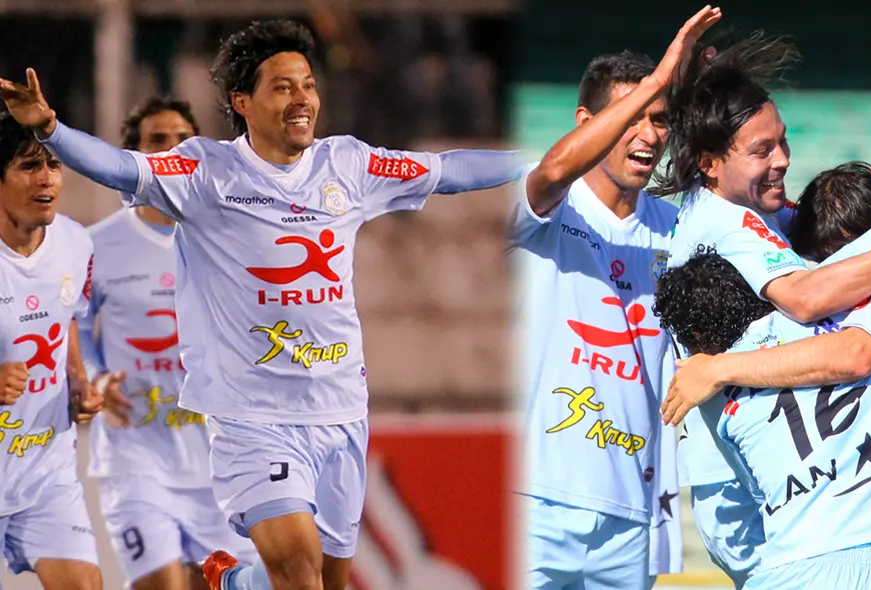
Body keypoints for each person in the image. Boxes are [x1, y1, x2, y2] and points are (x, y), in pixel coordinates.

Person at [0, 19, 522, 590]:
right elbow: (118, 167)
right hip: (251, 420)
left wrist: (539, 163)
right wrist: (50, 129)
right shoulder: (205, 172)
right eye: (282, 86)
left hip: (341, 412)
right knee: (298, 571)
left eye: (308, 85)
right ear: (242, 102)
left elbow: (451, 171)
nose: (302, 98)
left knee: (324, 580)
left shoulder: (347, 165)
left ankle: (234, 582)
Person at [651, 34, 871, 588]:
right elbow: (807, 297)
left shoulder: (742, 207)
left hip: (774, 468)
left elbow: (830, 239)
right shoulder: (727, 223)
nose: (782, 160)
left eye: (782, 141)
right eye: (762, 151)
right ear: (710, 164)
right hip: (749, 481)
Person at [510, 6, 721, 589]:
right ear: (587, 122)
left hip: (632, 512)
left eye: (660, 118)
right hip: (530, 502)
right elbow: (555, 169)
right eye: (632, 116)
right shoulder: (546, 205)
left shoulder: (678, 230)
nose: (649, 135)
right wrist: (659, 80)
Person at [654, 248, 871, 589]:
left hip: (795, 568)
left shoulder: (713, 392)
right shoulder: (853, 319)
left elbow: (750, 499)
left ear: (698, 338)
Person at [79, 96, 257, 590]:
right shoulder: (97, 244)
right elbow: (77, 325)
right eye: (157, 140)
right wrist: (96, 377)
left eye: (183, 139)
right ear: (133, 157)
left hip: (219, 463)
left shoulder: (230, 238)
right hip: (136, 458)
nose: (172, 149)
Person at [0, 112, 102, 589]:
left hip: (45, 475)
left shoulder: (75, 243)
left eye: (54, 164)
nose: (46, 179)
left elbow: (70, 317)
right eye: (28, 166)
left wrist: (78, 379)